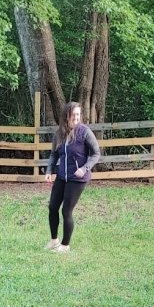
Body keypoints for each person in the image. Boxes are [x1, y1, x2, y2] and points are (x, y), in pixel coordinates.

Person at [44, 102, 101, 253]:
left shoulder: (85, 132)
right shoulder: (59, 133)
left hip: (78, 178)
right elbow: (54, 154)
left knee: (66, 211)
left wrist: (84, 168)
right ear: (66, 116)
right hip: (62, 176)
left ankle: (65, 245)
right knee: (52, 207)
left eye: (78, 114)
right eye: (73, 114)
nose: (76, 117)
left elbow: (96, 154)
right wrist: (49, 171)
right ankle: (54, 241)